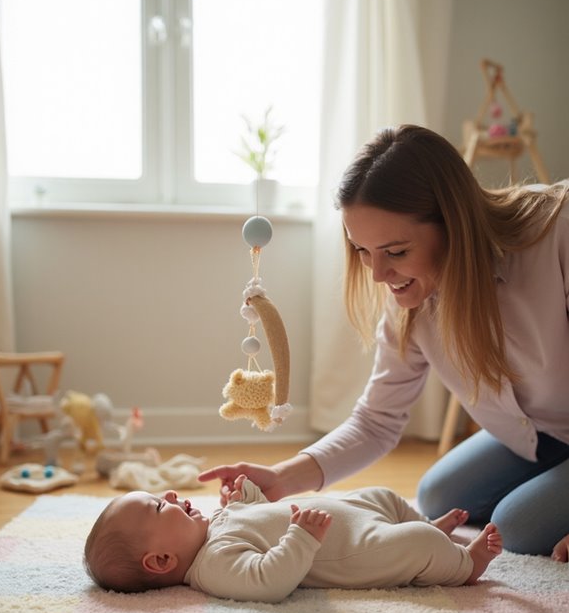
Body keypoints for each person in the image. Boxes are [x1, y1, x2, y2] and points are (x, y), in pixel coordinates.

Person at [198, 125, 569, 561]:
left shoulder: (556, 236)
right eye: (361, 250)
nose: (377, 275)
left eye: (394, 252)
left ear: (455, 225)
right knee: (438, 495)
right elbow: (376, 421)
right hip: (539, 432)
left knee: (516, 527)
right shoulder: (412, 298)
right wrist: (282, 478)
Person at [83, 478, 503, 601]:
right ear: (160, 561)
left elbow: (259, 517)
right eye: (159, 506)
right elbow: (268, 580)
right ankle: (465, 565)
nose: (171, 495)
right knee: (416, 544)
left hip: (354, 514)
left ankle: (430, 523)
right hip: (354, 548)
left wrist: (247, 498)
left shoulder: (214, 525)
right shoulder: (213, 566)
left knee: (383, 495)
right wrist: (301, 539)